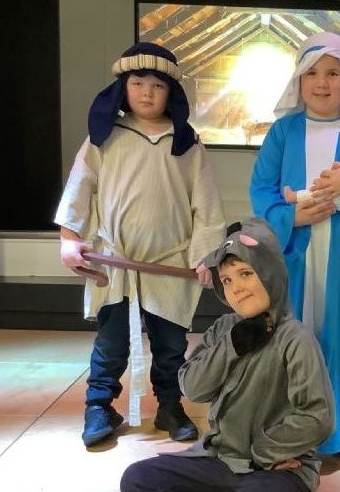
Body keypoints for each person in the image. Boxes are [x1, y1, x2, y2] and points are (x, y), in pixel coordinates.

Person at [120, 218, 334, 492]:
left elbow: (316, 416)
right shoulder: (224, 329)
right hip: (219, 460)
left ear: (270, 274)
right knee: (139, 481)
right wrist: (232, 346)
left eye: (246, 274)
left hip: (277, 468)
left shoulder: (295, 339)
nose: (236, 288)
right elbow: (193, 386)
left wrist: (263, 452)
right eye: (227, 280)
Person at [55, 42, 225, 447]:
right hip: (115, 261)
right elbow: (80, 187)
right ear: (123, 87)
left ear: (171, 92)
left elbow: (205, 203)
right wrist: (70, 237)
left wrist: (206, 254)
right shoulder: (104, 138)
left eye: (158, 85)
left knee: (170, 345)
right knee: (111, 343)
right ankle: (99, 406)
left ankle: (170, 406)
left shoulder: (186, 143)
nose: (147, 93)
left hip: (170, 263)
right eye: (138, 83)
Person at [250, 32, 340, 466]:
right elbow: (261, 189)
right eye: (312, 72)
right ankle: (285, 426)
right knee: (289, 335)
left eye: (333, 73)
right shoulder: (283, 131)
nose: (322, 82)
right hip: (293, 252)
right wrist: (290, 218)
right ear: (299, 80)